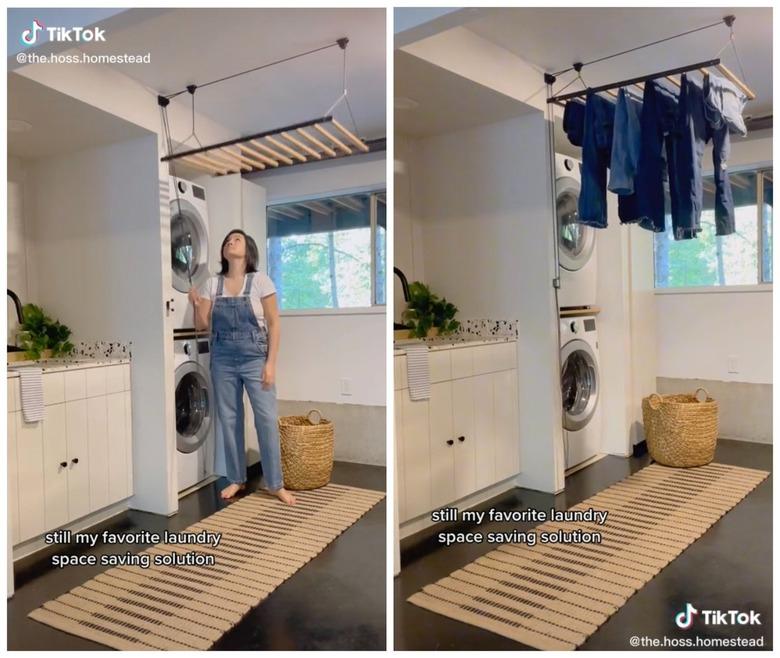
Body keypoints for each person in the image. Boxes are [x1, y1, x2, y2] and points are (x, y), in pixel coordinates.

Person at [188, 229, 295, 504]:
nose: (229, 242)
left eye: (236, 239)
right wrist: (197, 303)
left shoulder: (260, 281)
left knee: (266, 420)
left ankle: (275, 483)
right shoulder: (213, 284)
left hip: (255, 358)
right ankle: (237, 479)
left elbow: (274, 324)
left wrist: (271, 363)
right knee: (230, 420)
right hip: (222, 358)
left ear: (248, 250)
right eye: (227, 241)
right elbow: (203, 325)